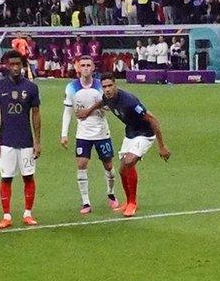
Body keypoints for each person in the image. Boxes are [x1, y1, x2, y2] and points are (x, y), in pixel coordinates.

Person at [77, 73, 169, 217]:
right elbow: (101, 102)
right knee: (121, 170)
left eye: (110, 86)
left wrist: (161, 146)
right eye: (104, 86)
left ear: (116, 85)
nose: (107, 89)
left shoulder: (129, 101)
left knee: (129, 162)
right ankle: (128, 201)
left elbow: (152, 119)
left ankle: (132, 203)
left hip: (145, 133)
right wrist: (87, 112)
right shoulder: (107, 98)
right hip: (130, 133)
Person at [0, 49, 43, 228]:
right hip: (5, 139)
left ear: (22, 65)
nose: (14, 67)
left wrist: (37, 141)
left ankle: (28, 213)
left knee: (28, 176)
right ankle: (6, 216)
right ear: (6, 65)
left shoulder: (31, 87)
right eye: (11, 64)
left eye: (17, 64)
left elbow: (35, 115)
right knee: (6, 178)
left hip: (26, 140)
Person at [61, 57, 119, 215]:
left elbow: (108, 106)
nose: (86, 68)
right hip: (83, 133)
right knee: (81, 165)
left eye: (88, 65)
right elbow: (67, 111)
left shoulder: (102, 86)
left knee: (108, 166)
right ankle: (86, 202)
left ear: (93, 68)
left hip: (101, 132)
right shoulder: (72, 87)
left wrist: (92, 111)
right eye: (83, 65)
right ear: (78, 68)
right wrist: (64, 134)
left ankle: (111, 193)